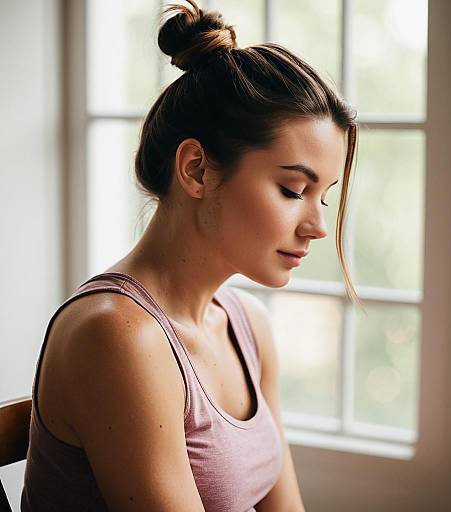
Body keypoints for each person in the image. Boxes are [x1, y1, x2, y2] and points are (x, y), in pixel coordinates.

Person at [21, 0, 359, 510]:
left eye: (324, 196)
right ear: (198, 169)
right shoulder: (117, 336)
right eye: (292, 190)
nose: (316, 226)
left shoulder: (247, 327)